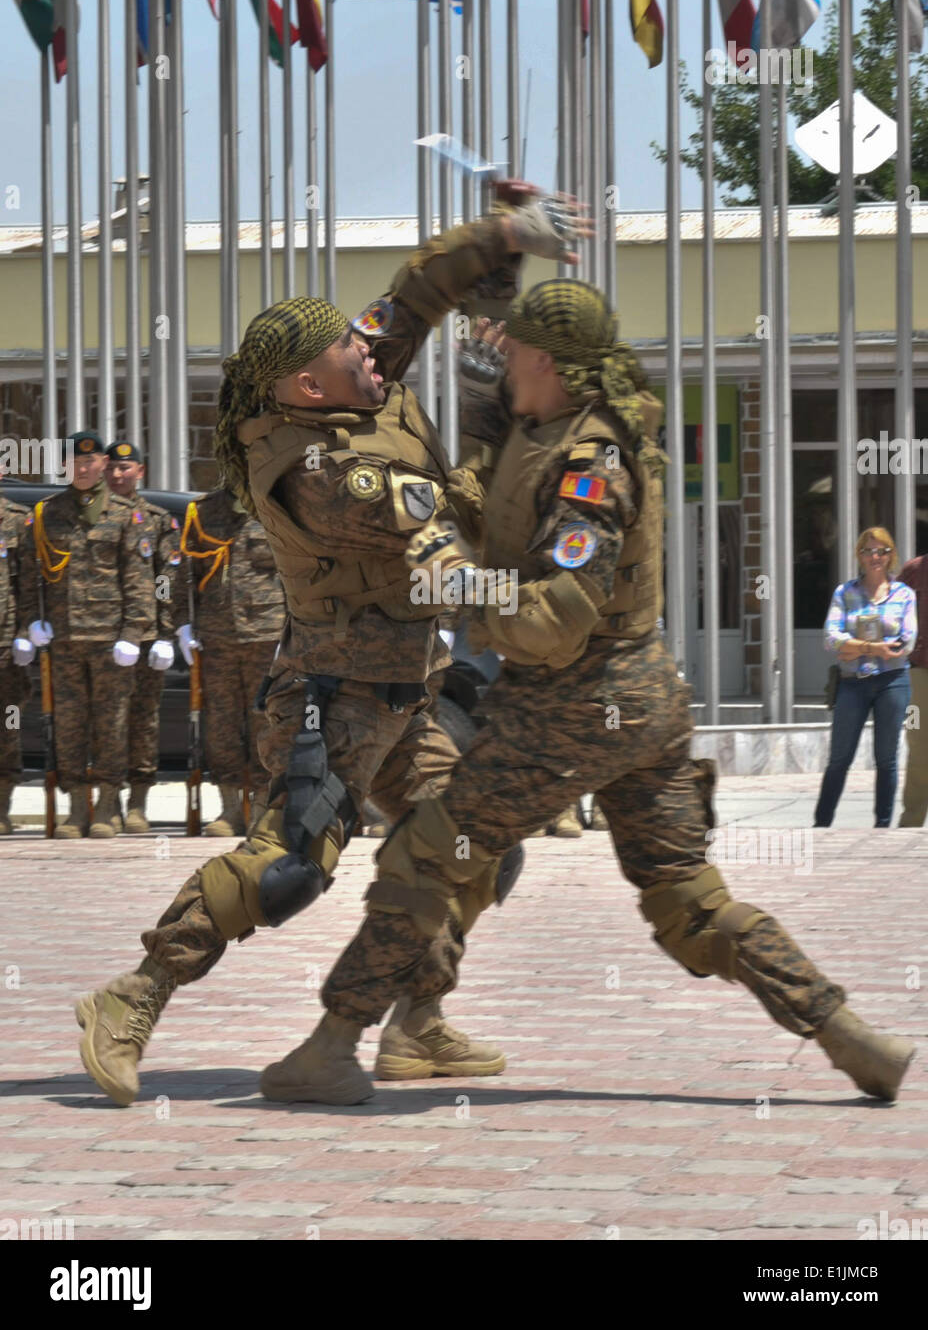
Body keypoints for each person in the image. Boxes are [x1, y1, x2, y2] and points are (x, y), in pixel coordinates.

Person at [258, 281, 916, 1108]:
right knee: (686, 899)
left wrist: (463, 586)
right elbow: (500, 450)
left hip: (570, 705)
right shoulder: (558, 423)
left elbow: (561, 617)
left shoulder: (589, 464)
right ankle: (849, 1035)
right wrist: (484, 321)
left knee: (424, 855)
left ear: (549, 362)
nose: (506, 364)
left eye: (516, 351)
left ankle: (332, 1044)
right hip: (647, 707)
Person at [75, 190, 587, 1106]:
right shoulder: (317, 472)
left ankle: (418, 1026)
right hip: (335, 696)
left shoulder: (349, 372)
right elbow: (458, 513)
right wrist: (502, 403)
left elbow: (414, 295)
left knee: (479, 846)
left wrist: (497, 245)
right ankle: (132, 996)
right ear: (310, 388)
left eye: (364, 341)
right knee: (289, 866)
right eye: (352, 349)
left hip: (412, 689)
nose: (371, 347)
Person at [17, 431, 156, 839]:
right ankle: (77, 805)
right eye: (74, 462)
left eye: (90, 461)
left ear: (101, 465)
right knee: (69, 724)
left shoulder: (124, 514)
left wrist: (133, 632)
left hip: (111, 640)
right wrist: (29, 625)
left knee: (111, 723)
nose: (82, 468)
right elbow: (29, 578)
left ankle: (109, 804)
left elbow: (138, 580)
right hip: (63, 641)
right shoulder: (45, 515)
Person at [175, 485, 286, 836]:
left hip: (268, 637)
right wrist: (181, 624)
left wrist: (299, 631)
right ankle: (230, 807)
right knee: (221, 725)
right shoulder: (202, 512)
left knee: (265, 723)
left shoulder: (279, 504)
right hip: (217, 637)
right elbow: (183, 573)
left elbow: (300, 573)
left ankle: (264, 806)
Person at [814, 528, 917, 829]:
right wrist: (871, 648)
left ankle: (882, 826)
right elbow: (830, 639)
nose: (876, 557)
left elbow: (906, 643)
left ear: (890, 555)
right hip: (852, 684)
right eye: (869, 551)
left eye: (882, 551)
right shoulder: (844, 592)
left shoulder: (904, 594)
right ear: (859, 555)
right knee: (839, 758)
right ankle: (821, 824)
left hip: (892, 682)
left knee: (887, 759)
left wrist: (852, 649)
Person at [104, 441, 180, 833]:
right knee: (104, 721)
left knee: (142, 720)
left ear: (140, 471)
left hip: (146, 638)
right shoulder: (90, 516)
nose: (118, 475)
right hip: (98, 636)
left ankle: (137, 801)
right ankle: (106, 800)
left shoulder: (157, 519)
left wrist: (166, 633)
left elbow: (166, 580)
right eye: (112, 468)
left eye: (125, 468)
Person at [0, 477, 32, 834]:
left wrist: (25, 633)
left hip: (5, 650)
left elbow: (29, 584)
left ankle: (1, 806)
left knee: (7, 728)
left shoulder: (17, 520)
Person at [897, 547, 928, 827]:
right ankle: (911, 822)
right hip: (920, 673)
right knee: (919, 747)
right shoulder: (914, 571)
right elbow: (894, 614)